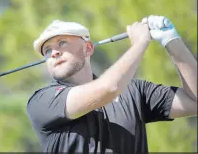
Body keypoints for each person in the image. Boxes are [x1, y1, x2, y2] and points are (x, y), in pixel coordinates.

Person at [26, 15, 197, 153]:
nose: (54, 52)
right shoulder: (42, 101)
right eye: (47, 50)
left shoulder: (134, 90)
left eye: (62, 43)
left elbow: (194, 102)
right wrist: (139, 43)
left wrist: (171, 40)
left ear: (88, 48)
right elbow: (109, 88)